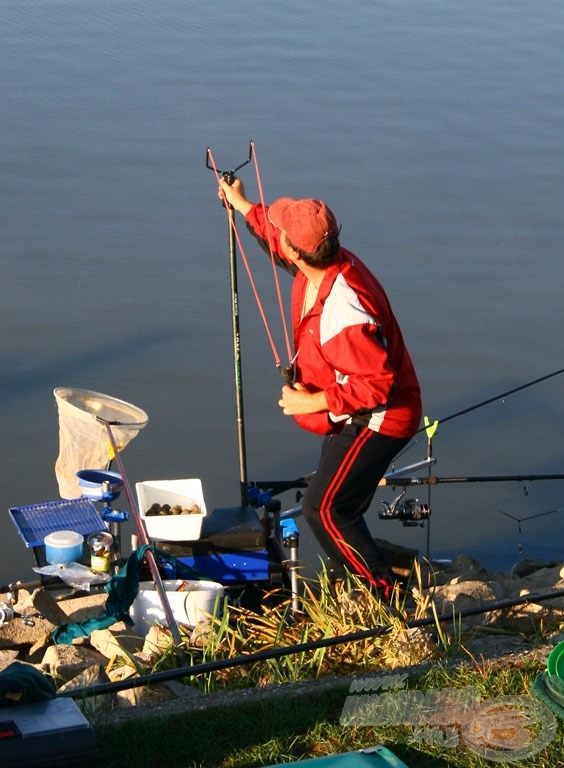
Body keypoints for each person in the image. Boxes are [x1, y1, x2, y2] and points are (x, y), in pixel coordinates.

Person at [219, 178, 422, 601]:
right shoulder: (326, 261)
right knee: (337, 502)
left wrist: (312, 400)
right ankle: (375, 574)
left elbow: (380, 385)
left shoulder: (342, 313)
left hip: (381, 416)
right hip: (355, 410)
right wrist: (241, 205)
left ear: (299, 252)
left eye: (286, 240)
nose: (281, 245)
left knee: (324, 509)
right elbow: (276, 238)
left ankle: (383, 595)